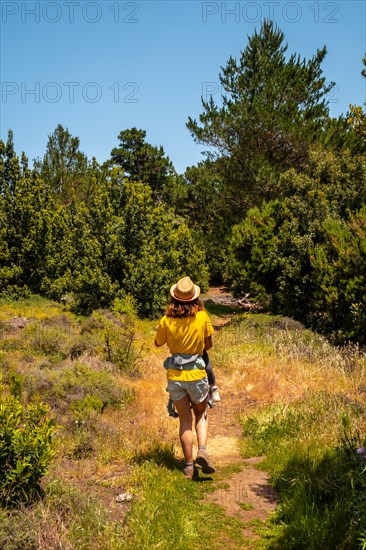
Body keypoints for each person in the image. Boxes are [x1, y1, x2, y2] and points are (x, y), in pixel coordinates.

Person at [155, 276, 216, 479]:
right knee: (201, 413)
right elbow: (208, 346)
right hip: (197, 373)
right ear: (194, 298)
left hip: (176, 376)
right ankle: (203, 450)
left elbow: (158, 343)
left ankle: (189, 466)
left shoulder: (166, 320)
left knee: (184, 420)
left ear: (174, 299)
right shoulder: (202, 317)